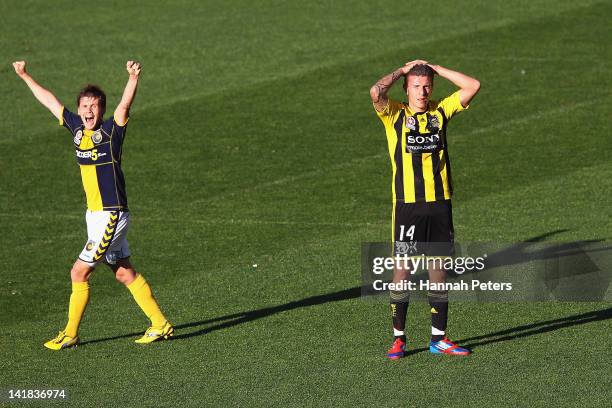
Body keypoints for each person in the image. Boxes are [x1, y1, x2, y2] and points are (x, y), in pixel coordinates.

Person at [13, 60, 174, 349]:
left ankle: (71, 334)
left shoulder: (112, 132)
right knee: (124, 272)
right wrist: (25, 76)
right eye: (84, 106)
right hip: (96, 216)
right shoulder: (76, 129)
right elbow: (51, 102)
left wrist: (133, 78)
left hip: (111, 215)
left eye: (94, 106)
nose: (88, 111)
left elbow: (124, 107)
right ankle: (160, 324)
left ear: (102, 109)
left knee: (79, 272)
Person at [370, 59, 480, 359]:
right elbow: (375, 92)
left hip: (440, 205)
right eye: (416, 86)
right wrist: (401, 71)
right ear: (406, 89)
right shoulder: (394, 114)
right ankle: (398, 339)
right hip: (408, 206)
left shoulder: (440, 111)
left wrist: (436, 68)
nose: (422, 91)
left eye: (427, 86)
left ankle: (438, 339)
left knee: (439, 271)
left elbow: (473, 85)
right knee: (402, 270)